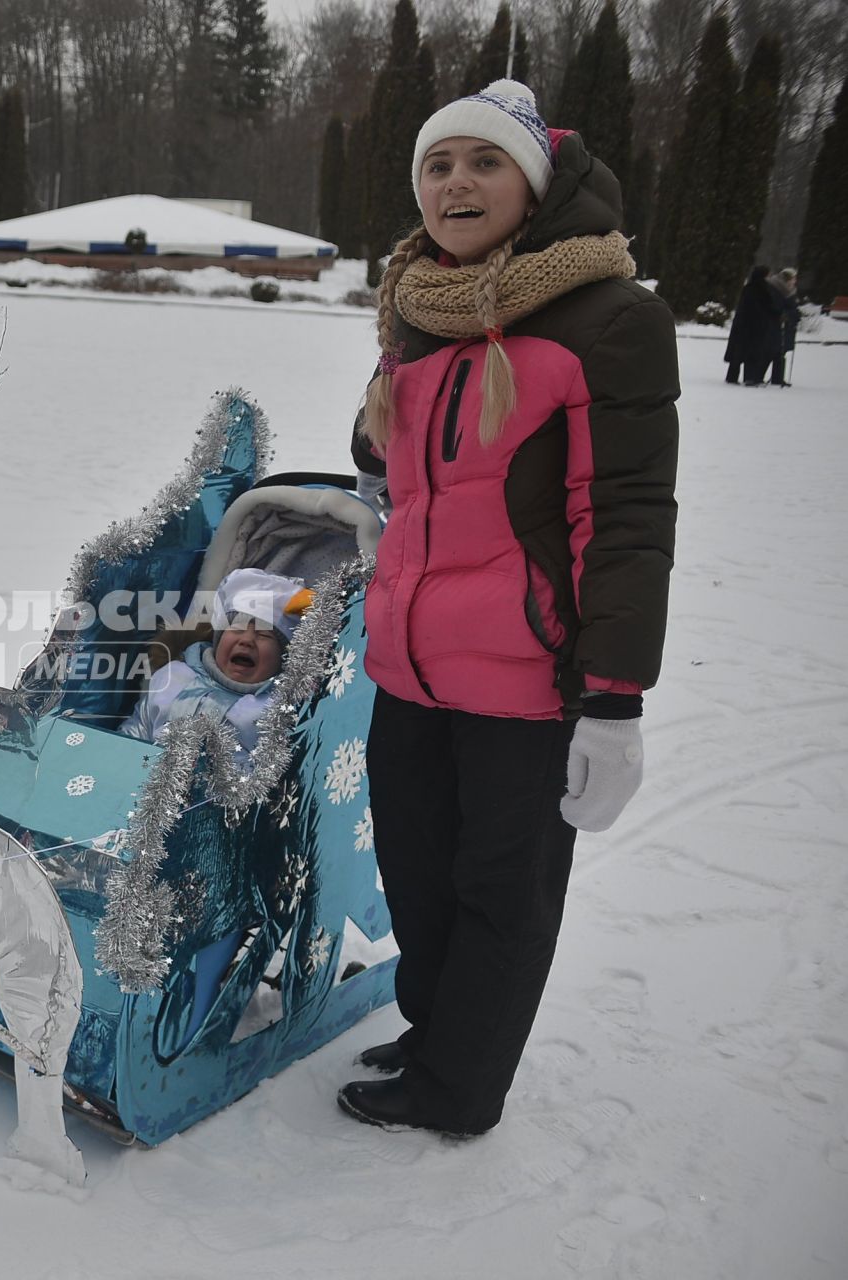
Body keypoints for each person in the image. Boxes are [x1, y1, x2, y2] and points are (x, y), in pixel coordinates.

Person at [342, 80, 679, 1136]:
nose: (456, 182)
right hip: (410, 669)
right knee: (419, 878)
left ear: (534, 183)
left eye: (483, 162)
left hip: (528, 682)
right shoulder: (418, 311)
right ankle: (439, 1030)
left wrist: (613, 699)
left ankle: (458, 1085)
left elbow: (624, 517)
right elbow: (408, 464)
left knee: (500, 893)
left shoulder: (608, 318)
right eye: (438, 164)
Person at [121, 568, 311, 751]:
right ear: (218, 641)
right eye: (237, 628)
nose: (246, 640)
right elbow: (137, 730)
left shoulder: (274, 710)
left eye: (263, 635)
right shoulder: (174, 676)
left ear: (283, 658)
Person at [724, 265, 784, 386]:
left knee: (738, 352)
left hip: (742, 325)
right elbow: (768, 307)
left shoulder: (748, 288)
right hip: (756, 327)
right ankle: (750, 377)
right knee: (752, 353)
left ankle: (732, 377)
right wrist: (778, 314)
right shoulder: (762, 289)